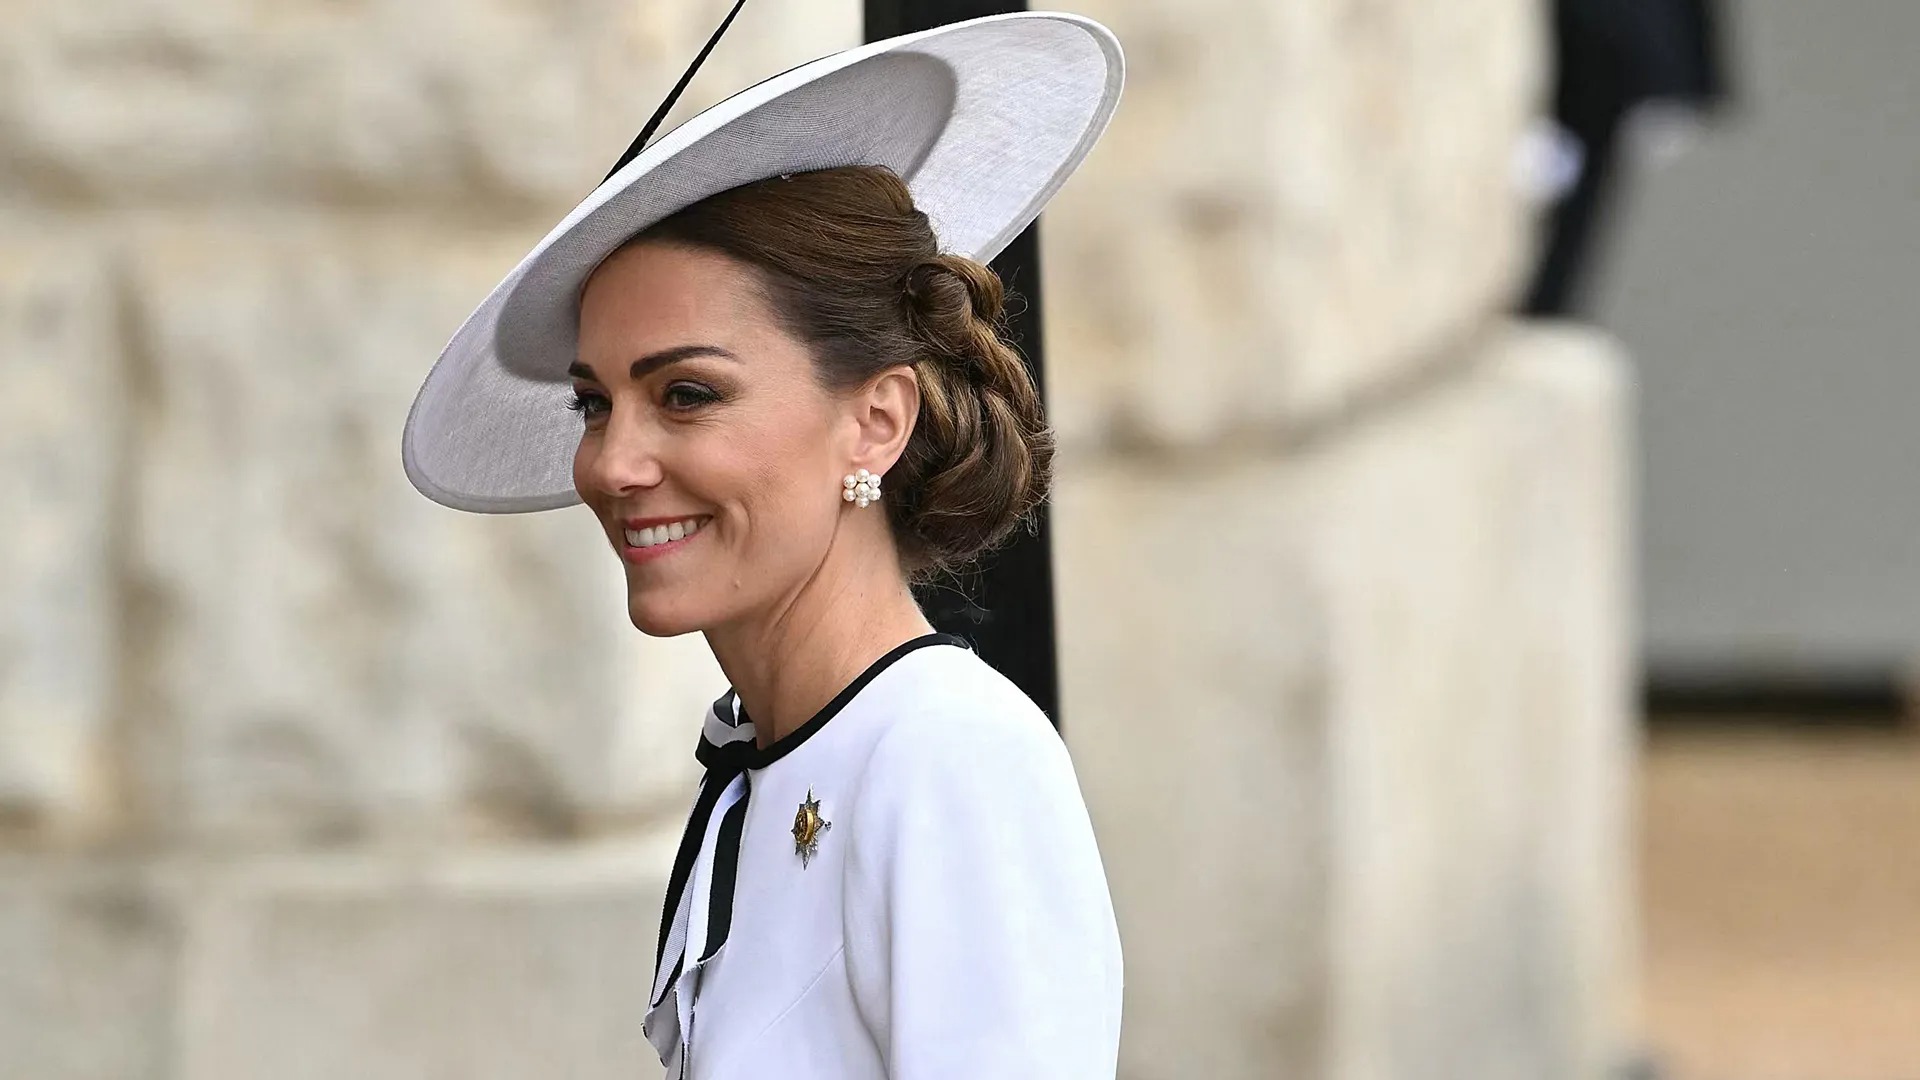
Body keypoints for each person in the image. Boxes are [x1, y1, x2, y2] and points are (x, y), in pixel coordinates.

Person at [399, 11, 1127, 1079]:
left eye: (687, 395)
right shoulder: (769, 765)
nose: (612, 465)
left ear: (876, 420)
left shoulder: (946, 757)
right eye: (595, 405)